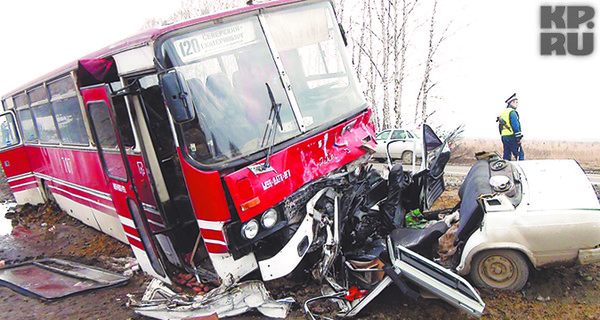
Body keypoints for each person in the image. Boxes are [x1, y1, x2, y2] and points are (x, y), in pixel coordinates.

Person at [497, 93, 524, 160]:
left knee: (506, 155)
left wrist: (502, 134)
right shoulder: (512, 112)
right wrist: (518, 137)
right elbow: (515, 125)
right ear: (512, 102)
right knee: (519, 154)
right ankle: (520, 169)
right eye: (516, 102)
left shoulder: (503, 113)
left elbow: (500, 127)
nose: (517, 104)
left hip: (504, 137)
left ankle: (504, 170)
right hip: (512, 136)